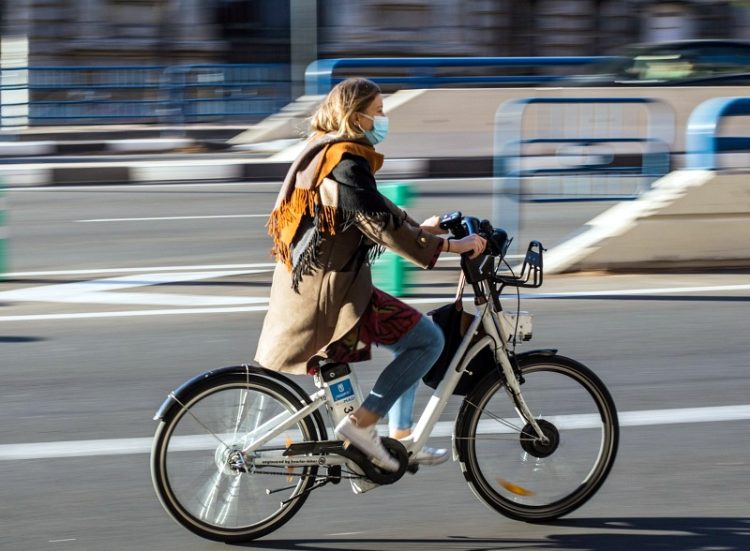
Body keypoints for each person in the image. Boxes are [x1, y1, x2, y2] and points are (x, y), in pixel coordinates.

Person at [254, 77, 486, 476]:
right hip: (330, 293)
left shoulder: (325, 149)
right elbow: (377, 223)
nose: (383, 119)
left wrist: (423, 229)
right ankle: (362, 425)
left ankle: (403, 436)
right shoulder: (346, 161)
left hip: (321, 284)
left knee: (413, 337)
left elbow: (373, 208)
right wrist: (451, 248)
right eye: (378, 111)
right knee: (429, 341)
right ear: (356, 115)